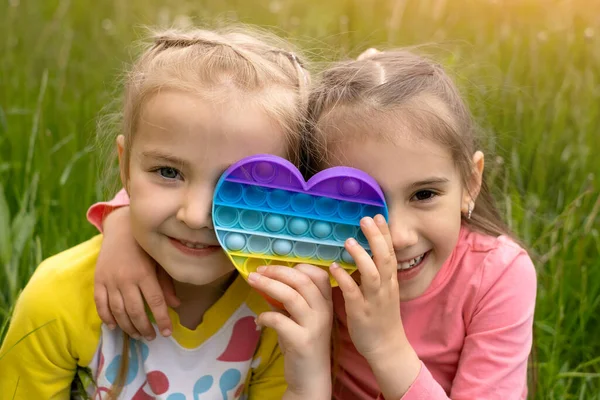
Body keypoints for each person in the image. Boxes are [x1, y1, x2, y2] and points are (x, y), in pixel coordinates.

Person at [84, 48, 537, 400]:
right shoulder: (311, 246)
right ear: (311, 200)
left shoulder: (498, 277)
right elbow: (217, 187)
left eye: (424, 195)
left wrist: (386, 348)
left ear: (470, 182)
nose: (396, 236)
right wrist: (121, 225)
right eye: (362, 202)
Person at [0, 27, 334, 400]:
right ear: (125, 168)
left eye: (242, 186)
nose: (196, 215)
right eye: (168, 172)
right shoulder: (57, 298)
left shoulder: (281, 313)